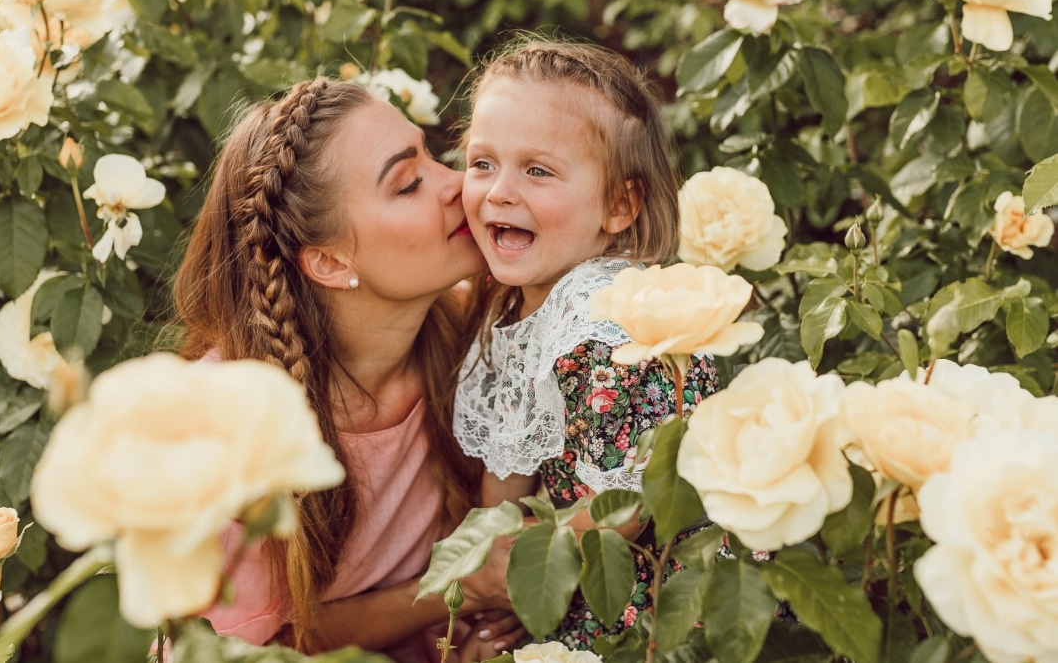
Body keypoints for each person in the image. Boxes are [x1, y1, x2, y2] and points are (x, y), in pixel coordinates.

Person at [173, 77, 523, 661]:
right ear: (331, 263)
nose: (458, 184)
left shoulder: (477, 327)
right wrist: (458, 586)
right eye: (408, 184)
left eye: (433, 156)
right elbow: (251, 650)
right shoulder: (224, 429)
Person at [453, 38, 721, 648]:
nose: (499, 192)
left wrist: (529, 579)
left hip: (653, 591)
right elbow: (505, 480)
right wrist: (491, 569)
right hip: (581, 564)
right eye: (482, 163)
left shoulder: (609, 319)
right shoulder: (516, 307)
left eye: (538, 171)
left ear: (620, 205)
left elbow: (627, 505)